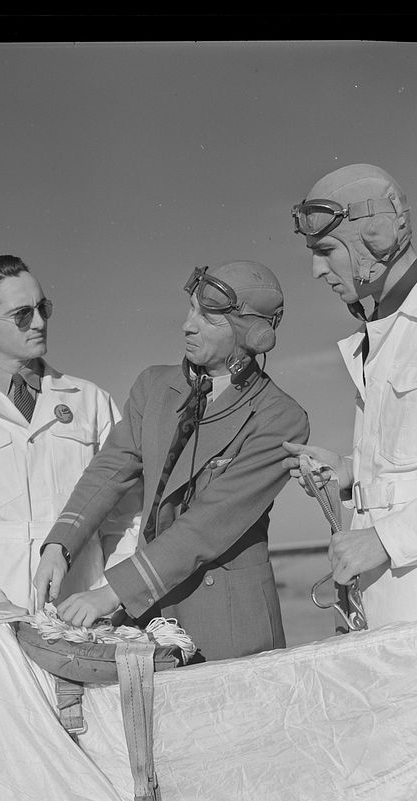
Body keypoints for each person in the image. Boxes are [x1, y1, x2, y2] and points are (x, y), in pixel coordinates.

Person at [34, 261, 310, 662]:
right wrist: (60, 545)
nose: (187, 325)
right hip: (150, 614)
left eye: (207, 317)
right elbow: (110, 470)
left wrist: (113, 591)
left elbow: (208, 524)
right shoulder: (153, 387)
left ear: (253, 334)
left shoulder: (280, 418)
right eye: (191, 309)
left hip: (228, 625)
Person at [284, 163, 417, 628]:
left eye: (325, 250)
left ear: (375, 238)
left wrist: (385, 539)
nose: (316, 269)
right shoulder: (380, 336)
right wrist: (347, 474)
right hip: (383, 617)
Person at [0, 254, 141, 614]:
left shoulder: (92, 401)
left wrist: (112, 595)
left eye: (43, 308)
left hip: (86, 602)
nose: (39, 322)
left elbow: (126, 514)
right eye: (22, 314)